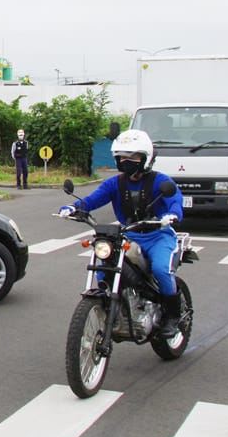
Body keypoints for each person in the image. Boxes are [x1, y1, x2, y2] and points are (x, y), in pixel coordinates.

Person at [58, 129, 185, 338]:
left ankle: (172, 317)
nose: (127, 161)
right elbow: (93, 199)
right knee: (104, 263)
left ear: (146, 158)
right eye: (122, 157)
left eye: (133, 157)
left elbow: (175, 201)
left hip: (157, 235)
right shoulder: (115, 183)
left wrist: (172, 215)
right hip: (129, 235)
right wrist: (73, 207)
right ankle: (110, 306)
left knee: (162, 270)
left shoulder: (161, 181)